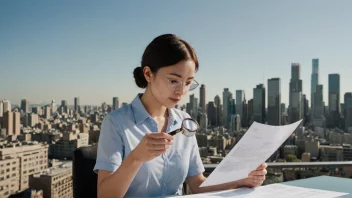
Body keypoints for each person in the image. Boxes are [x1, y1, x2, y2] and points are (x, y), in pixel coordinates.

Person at [93, 34, 267, 198]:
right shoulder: (116, 123)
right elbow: (105, 195)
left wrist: (241, 180)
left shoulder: (185, 122)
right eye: (173, 80)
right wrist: (136, 158)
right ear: (148, 74)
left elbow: (197, 184)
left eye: (188, 83)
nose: (181, 91)